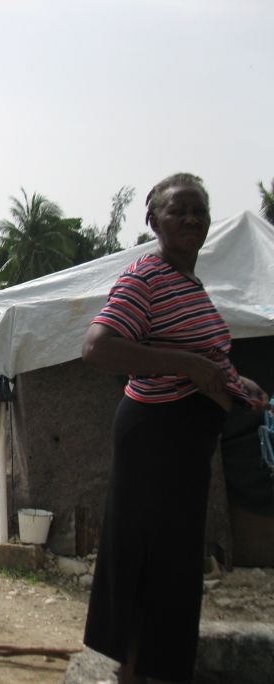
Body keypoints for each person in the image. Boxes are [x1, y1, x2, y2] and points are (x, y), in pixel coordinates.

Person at [80, 173, 268, 683]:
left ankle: (155, 671)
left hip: (184, 446)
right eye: (177, 210)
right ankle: (134, 673)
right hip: (154, 441)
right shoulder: (146, 278)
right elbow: (97, 347)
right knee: (147, 560)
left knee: (174, 564)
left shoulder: (189, 284)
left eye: (198, 211)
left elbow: (205, 359)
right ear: (153, 221)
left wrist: (239, 384)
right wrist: (188, 365)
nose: (190, 219)